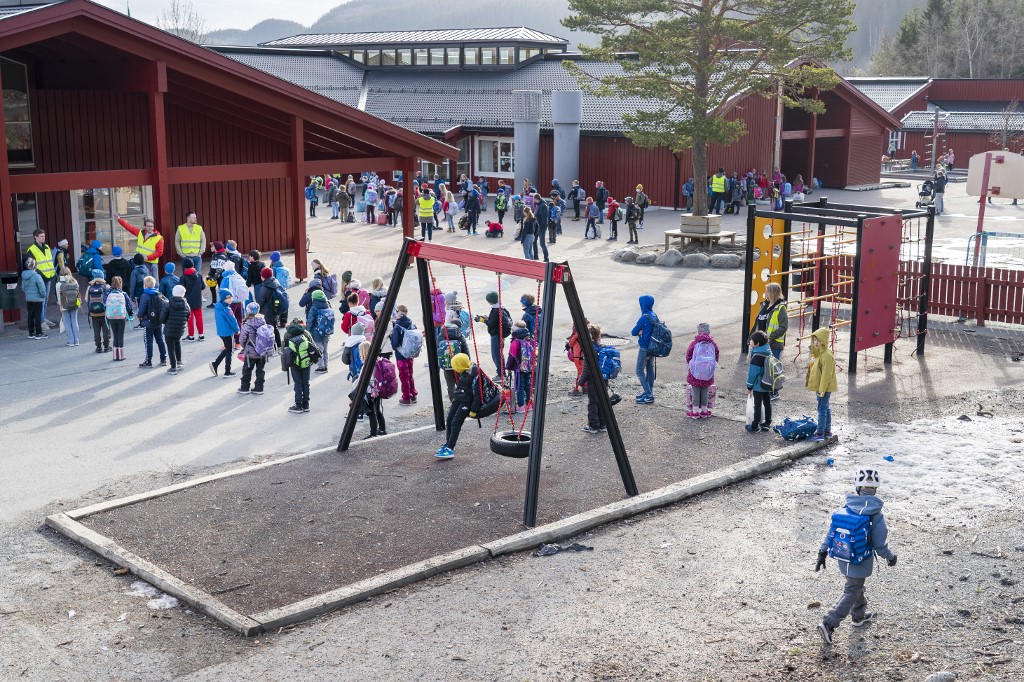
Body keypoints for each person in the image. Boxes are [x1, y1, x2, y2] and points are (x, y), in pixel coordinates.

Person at [815, 468, 898, 645]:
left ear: (857, 488)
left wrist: (822, 552)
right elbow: (879, 545)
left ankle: (858, 617)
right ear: (875, 490)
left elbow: (832, 532)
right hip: (860, 560)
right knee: (852, 589)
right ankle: (829, 622)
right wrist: (891, 557)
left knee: (855, 586)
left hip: (842, 556)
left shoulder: (846, 507)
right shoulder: (875, 514)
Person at [434, 352, 481, 460]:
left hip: (467, 401)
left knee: (456, 422)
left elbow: (478, 393)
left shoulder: (474, 374)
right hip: (459, 398)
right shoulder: (463, 371)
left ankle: (451, 448)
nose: (454, 369)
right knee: (449, 419)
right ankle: (448, 443)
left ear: (460, 366)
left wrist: (474, 409)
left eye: (455, 367)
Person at [755, 282, 788, 399]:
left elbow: (783, 327)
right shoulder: (765, 305)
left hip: (774, 344)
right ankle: (766, 389)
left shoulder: (781, 308)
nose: (766, 293)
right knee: (764, 367)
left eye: (767, 291)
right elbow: (758, 322)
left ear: (773, 293)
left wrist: (770, 337)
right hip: (763, 343)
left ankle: (774, 392)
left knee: (772, 368)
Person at [806, 326, 837, 441]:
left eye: (818, 340)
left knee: (822, 409)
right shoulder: (818, 353)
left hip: (823, 387)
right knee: (825, 408)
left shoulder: (827, 356)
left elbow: (826, 375)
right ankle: (827, 431)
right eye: (815, 340)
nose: (816, 342)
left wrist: (822, 390)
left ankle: (820, 433)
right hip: (821, 387)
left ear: (824, 341)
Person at [578, 324, 609, 434]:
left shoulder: (589, 349)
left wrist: (580, 383)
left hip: (593, 381)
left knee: (593, 403)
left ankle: (593, 426)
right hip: (604, 380)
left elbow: (586, 369)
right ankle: (603, 424)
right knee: (602, 401)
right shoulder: (602, 347)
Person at [284, 317, 318, 412]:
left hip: (294, 362)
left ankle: (298, 405)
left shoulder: (288, 334)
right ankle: (306, 404)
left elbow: (285, 352)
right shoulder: (306, 333)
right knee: (306, 382)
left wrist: (285, 366)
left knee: (298, 383)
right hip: (306, 361)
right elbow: (313, 346)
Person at [685, 323, 719, 418]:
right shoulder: (713, 344)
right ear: (708, 331)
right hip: (708, 372)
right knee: (705, 390)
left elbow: (688, 355)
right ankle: (704, 411)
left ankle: (695, 412)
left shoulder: (695, 343)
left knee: (695, 391)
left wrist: (691, 364)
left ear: (699, 331)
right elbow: (716, 356)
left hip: (695, 373)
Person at [114, 213, 163, 278]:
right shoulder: (140, 233)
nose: (150, 228)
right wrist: (119, 219)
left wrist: (148, 257)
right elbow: (129, 227)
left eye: (151, 226)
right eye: (148, 226)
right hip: (140, 262)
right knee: (140, 282)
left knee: (152, 282)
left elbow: (159, 252)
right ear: (145, 226)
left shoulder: (159, 238)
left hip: (151, 264)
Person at [25, 228, 56, 330]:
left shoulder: (46, 247)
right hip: (40, 279)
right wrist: (38, 276)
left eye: (44, 236)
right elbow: (30, 266)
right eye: (41, 236)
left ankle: (43, 318)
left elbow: (49, 261)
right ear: (35, 237)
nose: (43, 238)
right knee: (41, 301)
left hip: (48, 277)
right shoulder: (31, 250)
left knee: (45, 300)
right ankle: (42, 322)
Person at [631, 294, 660, 404]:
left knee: (639, 370)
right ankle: (649, 391)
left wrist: (640, 332)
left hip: (644, 347)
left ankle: (648, 394)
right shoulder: (654, 315)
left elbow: (633, 332)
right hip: (653, 347)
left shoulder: (644, 317)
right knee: (650, 369)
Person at [237, 301, 269, 392]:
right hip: (262, 350)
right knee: (260, 370)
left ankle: (245, 387)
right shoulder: (263, 321)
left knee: (247, 369)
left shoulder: (247, 324)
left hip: (250, 351)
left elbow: (242, 339)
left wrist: (244, 347)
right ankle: (259, 388)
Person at [390, 304, 419, 405]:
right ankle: (413, 394)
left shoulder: (398, 326)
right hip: (410, 354)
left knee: (404, 376)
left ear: (399, 313)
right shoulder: (411, 323)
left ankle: (406, 397)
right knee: (410, 374)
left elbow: (395, 343)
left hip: (401, 355)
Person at [477, 290, 511, 376]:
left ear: (489, 301)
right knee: (499, 353)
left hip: (496, 335)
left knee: (496, 355)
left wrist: (483, 320)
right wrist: (488, 318)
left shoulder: (496, 310)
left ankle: (501, 374)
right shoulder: (502, 308)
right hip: (501, 334)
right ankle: (502, 372)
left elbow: (491, 323)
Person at [137, 275, 167, 368]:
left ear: (145, 285)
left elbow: (142, 309)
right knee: (160, 340)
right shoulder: (159, 294)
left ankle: (148, 360)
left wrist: (139, 316)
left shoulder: (145, 295)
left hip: (148, 322)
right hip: (158, 321)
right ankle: (163, 359)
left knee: (148, 342)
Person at [505, 320, 535, 413]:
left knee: (519, 386)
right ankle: (529, 404)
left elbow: (512, 356)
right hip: (529, 366)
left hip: (519, 367)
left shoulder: (516, 341)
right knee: (528, 385)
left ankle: (521, 406)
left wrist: (508, 367)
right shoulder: (529, 338)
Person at [745, 330, 772, 432]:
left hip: (758, 384)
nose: (750, 342)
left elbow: (753, 374)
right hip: (768, 382)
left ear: (757, 343)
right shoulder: (768, 352)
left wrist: (749, 387)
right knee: (767, 403)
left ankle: (755, 425)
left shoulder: (757, 356)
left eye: (751, 341)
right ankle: (767, 423)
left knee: (757, 405)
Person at [209, 289, 239, 377]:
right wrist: (237, 330)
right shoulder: (227, 309)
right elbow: (233, 321)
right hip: (228, 332)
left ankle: (216, 364)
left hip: (221, 332)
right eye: (228, 298)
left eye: (231, 297)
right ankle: (227, 371)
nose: (230, 299)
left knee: (227, 349)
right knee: (229, 350)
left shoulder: (218, 306)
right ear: (223, 299)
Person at [161, 284, 190, 375]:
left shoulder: (168, 304)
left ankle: (173, 367)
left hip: (169, 329)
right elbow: (187, 317)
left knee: (170, 348)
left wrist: (166, 323)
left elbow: (162, 318)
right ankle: (179, 361)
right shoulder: (186, 305)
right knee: (177, 343)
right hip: (180, 329)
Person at [306, 289, 333, 373]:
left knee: (319, 350)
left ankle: (321, 367)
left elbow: (310, 321)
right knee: (325, 350)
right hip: (326, 332)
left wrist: (308, 331)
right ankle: (326, 365)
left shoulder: (314, 308)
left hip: (316, 333)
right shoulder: (327, 305)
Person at [106, 275, 132, 361]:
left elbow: (105, 304)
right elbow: (129, 305)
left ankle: (115, 355)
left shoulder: (108, 294)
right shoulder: (123, 294)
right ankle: (121, 355)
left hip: (111, 316)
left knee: (115, 335)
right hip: (121, 316)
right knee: (120, 335)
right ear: (121, 283)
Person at [21, 257, 48, 339]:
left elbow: (23, 288)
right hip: (38, 299)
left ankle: (31, 333)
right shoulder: (37, 276)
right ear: (35, 266)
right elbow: (42, 288)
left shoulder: (24, 276)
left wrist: (28, 294)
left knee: (30, 315)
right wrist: (43, 296)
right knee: (38, 316)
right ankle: (39, 333)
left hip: (29, 299)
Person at [85, 270, 111, 353]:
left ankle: (98, 347)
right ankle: (106, 346)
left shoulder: (89, 287)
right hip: (104, 313)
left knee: (96, 331)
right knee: (106, 330)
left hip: (94, 313)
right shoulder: (106, 286)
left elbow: (86, 299)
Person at [180, 257, 205, 341]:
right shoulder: (199, 275)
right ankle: (201, 334)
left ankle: (191, 335)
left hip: (188, 300)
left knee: (190, 319)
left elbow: (181, 289)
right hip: (197, 299)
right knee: (199, 317)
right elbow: (203, 286)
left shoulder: (183, 277)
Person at [175, 211, 206, 275]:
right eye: (194, 218)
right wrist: (181, 255)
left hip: (197, 256)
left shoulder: (199, 228)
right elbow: (177, 242)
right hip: (185, 257)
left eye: (195, 217)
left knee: (197, 276)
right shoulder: (181, 228)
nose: (196, 219)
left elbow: (203, 240)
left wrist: (200, 253)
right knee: (186, 277)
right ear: (188, 218)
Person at [56, 267, 81, 346]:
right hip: (74, 304)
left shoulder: (58, 284)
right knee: (74, 321)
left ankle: (71, 341)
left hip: (64, 305)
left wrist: (60, 305)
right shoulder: (75, 282)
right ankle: (76, 340)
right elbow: (77, 293)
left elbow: (58, 297)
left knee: (67, 323)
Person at [207, 242, 230, 308]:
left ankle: (223, 302)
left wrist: (214, 277)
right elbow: (212, 266)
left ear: (216, 248)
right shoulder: (214, 255)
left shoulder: (222, 255)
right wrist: (210, 274)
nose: (211, 248)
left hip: (220, 275)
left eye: (212, 247)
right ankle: (214, 302)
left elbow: (220, 268)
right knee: (212, 288)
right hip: (213, 275)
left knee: (221, 289)